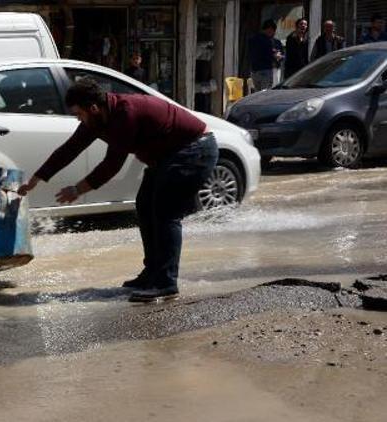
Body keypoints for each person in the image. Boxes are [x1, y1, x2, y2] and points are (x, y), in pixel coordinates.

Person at [17, 79, 218, 302]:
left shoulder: (125, 115)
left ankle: (166, 283)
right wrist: (36, 179)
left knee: (165, 213)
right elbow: (69, 149)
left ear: (93, 108)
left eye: (78, 114)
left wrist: (78, 189)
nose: (78, 119)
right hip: (166, 156)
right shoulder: (96, 119)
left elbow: (112, 164)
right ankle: (152, 273)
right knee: (145, 207)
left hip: (195, 148)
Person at [248, 19, 284, 91]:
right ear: (269, 29)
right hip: (265, 70)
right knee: (265, 94)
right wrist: (275, 56)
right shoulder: (266, 41)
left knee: (258, 93)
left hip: (255, 70)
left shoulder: (253, 39)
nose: (273, 33)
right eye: (272, 31)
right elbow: (266, 54)